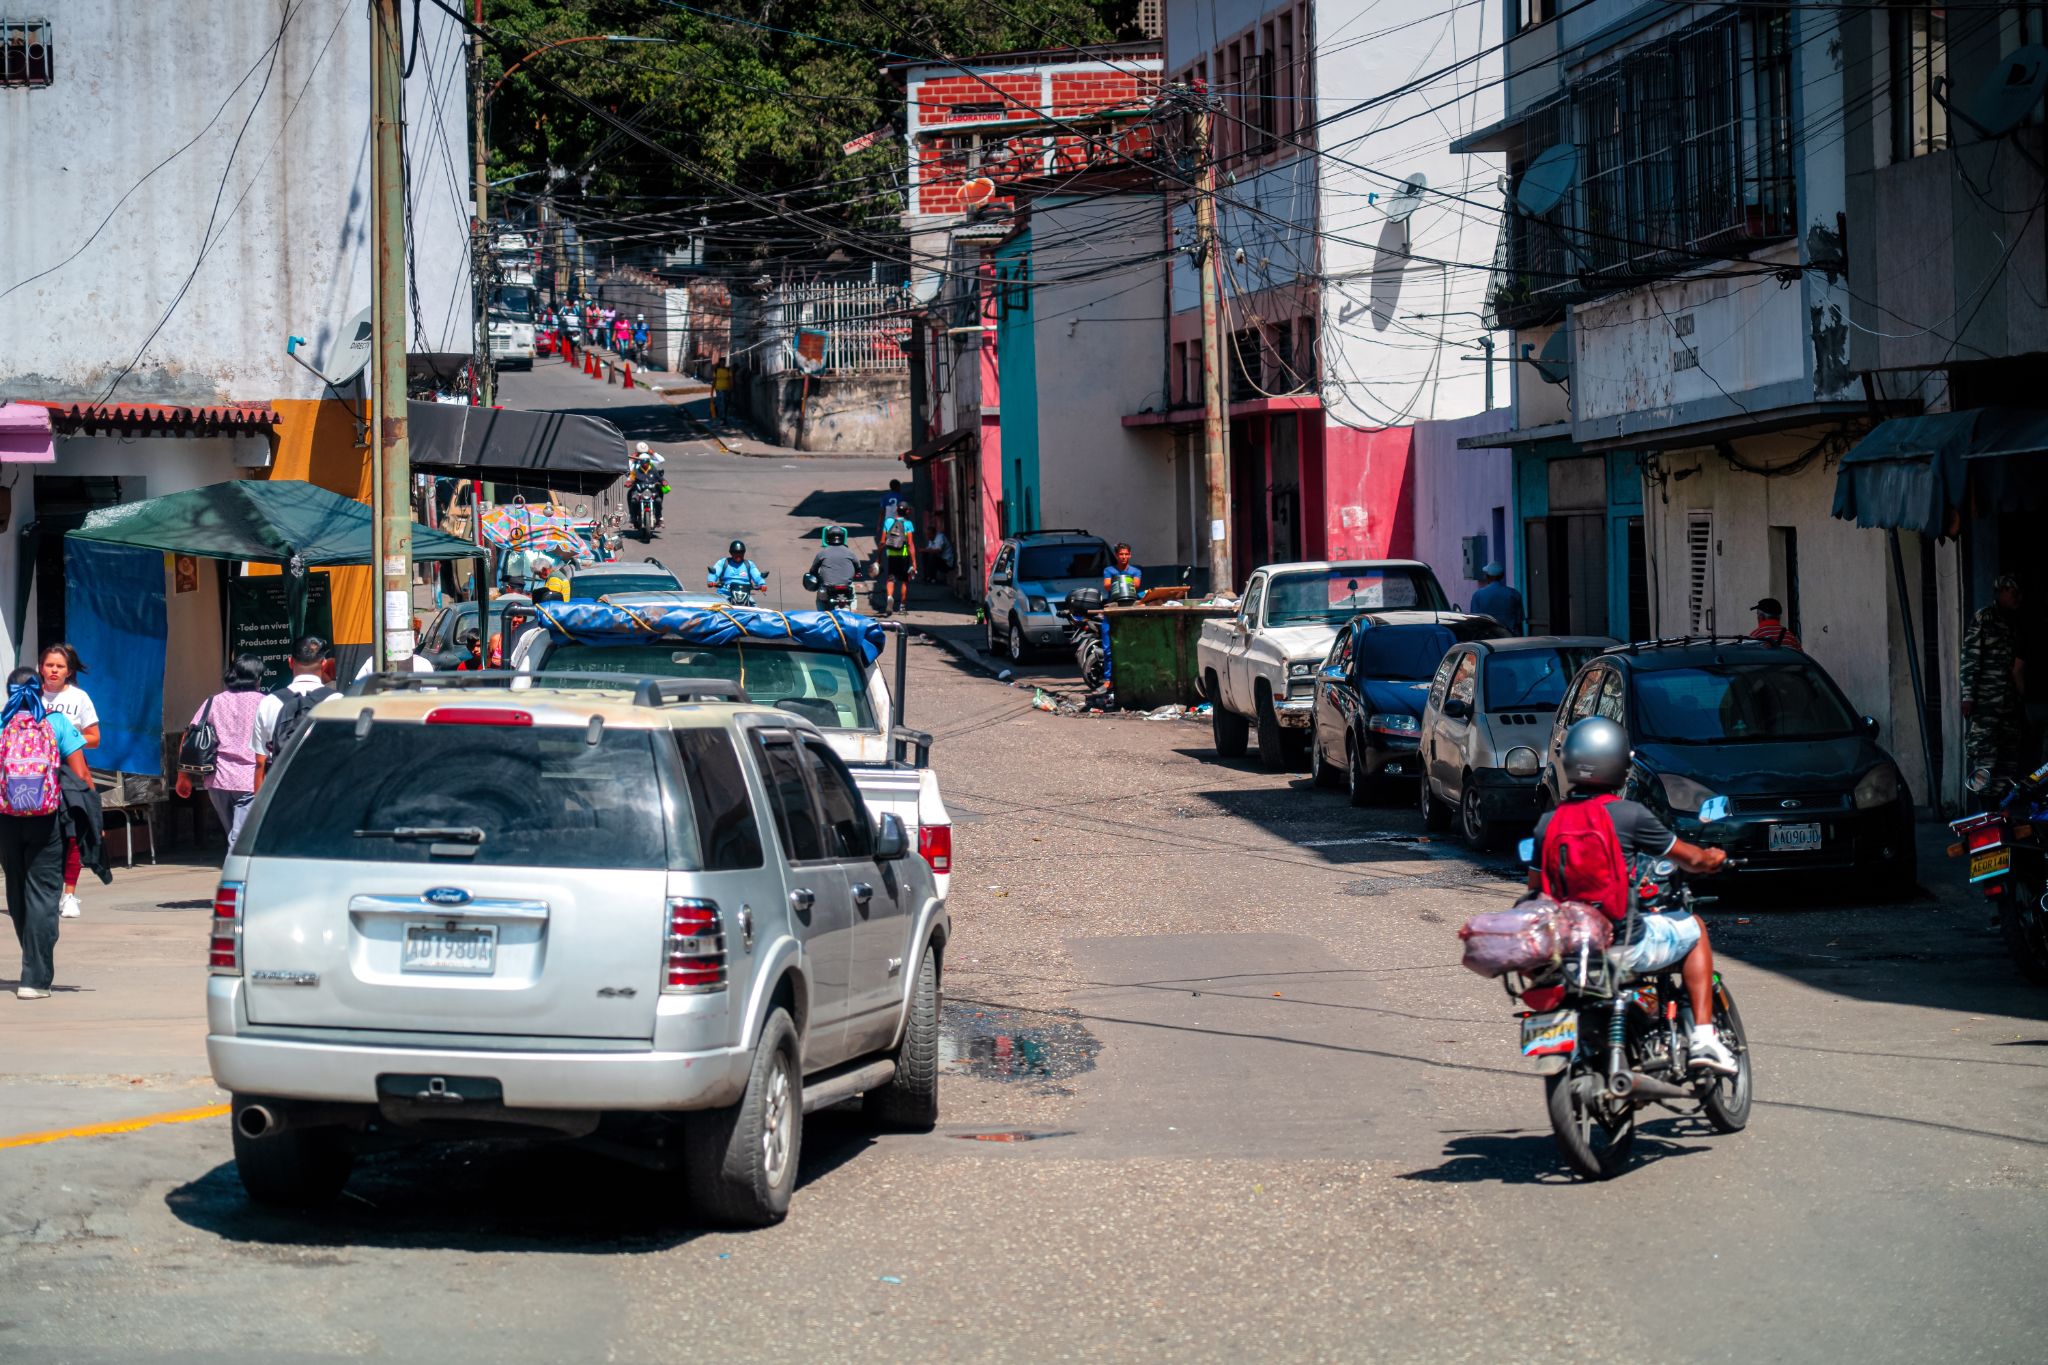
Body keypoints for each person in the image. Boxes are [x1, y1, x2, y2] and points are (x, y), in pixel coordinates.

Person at [1528, 716, 1736, 1074]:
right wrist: (1713, 858)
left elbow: (1535, 891)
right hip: (1623, 944)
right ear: (1619, 763)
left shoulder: (1550, 823)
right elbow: (1691, 858)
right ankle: (1703, 1038)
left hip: (1570, 951)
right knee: (1695, 928)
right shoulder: (1629, 815)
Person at [1, 668, 92, 999]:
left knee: (16, 890)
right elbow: (81, 774)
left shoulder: (1, 724)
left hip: (7, 819)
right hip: (46, 818)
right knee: (42, 894)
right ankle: (35, 978)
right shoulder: (55, 723)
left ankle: (31, 961)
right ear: (40, 690)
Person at [174, 654, 267, 851]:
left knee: (234, 836)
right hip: (251, 780)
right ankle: (235, 879)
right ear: (257, 677)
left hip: (218, 781)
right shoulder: (265, 703)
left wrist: (183, 776)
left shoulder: (214, 701)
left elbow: (189, 736)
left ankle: (242, 875)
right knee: (240, 841)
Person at [37, 645, 97, 920]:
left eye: (59, 666)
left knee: (73, 835)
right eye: (49, 665)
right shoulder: (30, 695)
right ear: (41, 667)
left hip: (70, 772)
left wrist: (67, 737)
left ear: (69, 671)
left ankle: (69, 894)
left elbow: (95, 738)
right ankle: (42, 892)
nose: (53, 670)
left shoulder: (79, 697)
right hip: (35, 776)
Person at [1961, 573, 2027, 794]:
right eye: (2013, 593)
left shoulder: (2016, 622)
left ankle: (1998, 810)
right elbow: (1970, 657)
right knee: (1985, 759)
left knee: (2007, 762)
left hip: (2009, 703)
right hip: (1986, 702)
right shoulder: (1984, 618)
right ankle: (1984, 811)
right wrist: (1968, 696)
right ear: (2001, 592)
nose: (2017, 598)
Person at [252, 636, 337, 791]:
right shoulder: (339, 701)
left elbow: (260, 762)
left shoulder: (268, 702)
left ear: (290, 662)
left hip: (282, 796)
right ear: (324, 664)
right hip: (325, 796)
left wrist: (261, 809)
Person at [1097, 543, 1144, 695]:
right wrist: (1124, 580)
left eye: (1126, 554)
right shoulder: (1108, 570)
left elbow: (1136, 585)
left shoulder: (1136, 570)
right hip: (1113, 609)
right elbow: (1107, 585)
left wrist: (1117, 580)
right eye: (1121, 554)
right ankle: (1108, 679)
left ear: (1130, 555)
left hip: (1130, 609)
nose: (1123, 557)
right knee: (1108, 648)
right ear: (1116, 556)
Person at [876, 502, 917, 615]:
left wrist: (878, 557)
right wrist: (914, 562)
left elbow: (882, 541)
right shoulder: (908, 524)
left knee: (890, 579)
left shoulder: (888, 521)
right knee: (904, 581)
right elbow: (910, 544)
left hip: (891, 555)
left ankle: (890, 598)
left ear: (897, 510)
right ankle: (902, 607)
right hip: (903, 556)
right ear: (907, 511)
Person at [808, 524, 862, 608]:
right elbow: (858, 566)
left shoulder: (823, 553)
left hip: (828, 586)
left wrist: (813, 574)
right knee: (853, 595)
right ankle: (854, 610)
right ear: (842, 538)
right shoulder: (849, 552)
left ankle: (823, 615)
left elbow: (813, 569)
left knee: (820, 599)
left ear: (828, 538)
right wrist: (858, 573)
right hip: (846, 586)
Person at [1470, 561, 1525, 635]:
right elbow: (1519, 622)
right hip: (1510, 637)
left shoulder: (1478, 595)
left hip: (1487, 637)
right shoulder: (1514, 594)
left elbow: (1475, 621)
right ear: (1502, 576)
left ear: (1487, 576)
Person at [629, 443, 667, 530]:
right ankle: (633, 517)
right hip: (639, 489)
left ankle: (659, 517)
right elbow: (630, 475)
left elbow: (661, 462)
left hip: (651, 490)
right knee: (633, 499)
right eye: (643, 461)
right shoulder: (635, 466)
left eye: (647, 461)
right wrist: (633, 457)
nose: (645, 463)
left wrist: (652, 453)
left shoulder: (652, 467)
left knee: (658, 500)